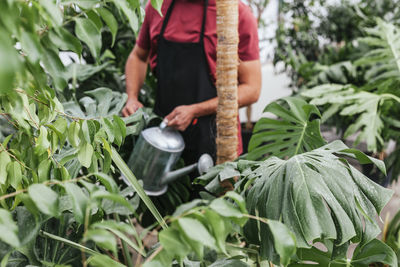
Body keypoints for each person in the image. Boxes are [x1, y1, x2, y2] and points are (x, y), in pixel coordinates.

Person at [122, 0, 261, 165]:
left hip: (216, 140)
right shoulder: (158, 6)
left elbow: (252, 89)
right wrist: (132, 97)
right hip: (163, 135)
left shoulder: (236, 13)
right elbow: (138, 56)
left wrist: (195, 110)